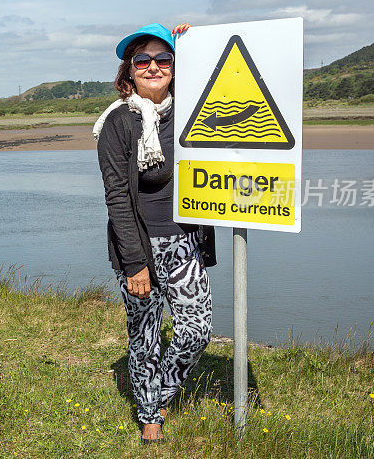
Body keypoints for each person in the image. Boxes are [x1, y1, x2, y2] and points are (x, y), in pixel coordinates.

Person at [94, 23, 217, 443]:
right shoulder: (118, 122)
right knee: (144, 334)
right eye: (142, 60)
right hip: (140, 246)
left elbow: (219, 80)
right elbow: (117, 197)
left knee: (196, 329)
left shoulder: (190, 113)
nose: (153, 66)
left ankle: (162, 392)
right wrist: (134, 263)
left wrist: (192, 42)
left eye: (163, 59)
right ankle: (150, 417)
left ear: (175, 67)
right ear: (129, 71)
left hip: (185, 241)